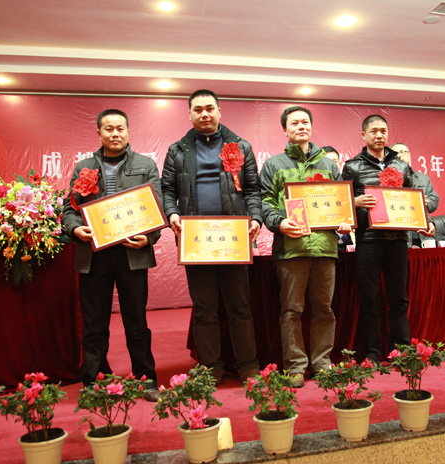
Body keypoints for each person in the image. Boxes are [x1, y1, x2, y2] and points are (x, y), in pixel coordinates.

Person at [161, 89, 261, 383]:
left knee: (240, 307)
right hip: (196, 239)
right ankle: (211, 368)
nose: (204, 114)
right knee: (205, 309)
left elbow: (253, 189)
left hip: (233, 238)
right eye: (198, 110)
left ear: (219, 111)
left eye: (209, 108)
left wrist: (256, 217)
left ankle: (248, 365)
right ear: (189, 114)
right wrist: (172, 213)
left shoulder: (241, 146)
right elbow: (167, 189)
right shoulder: (178, 150)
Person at [62, 109, 160, 401]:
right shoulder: (84, 167)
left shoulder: (145, 165)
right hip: (94, 255)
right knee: (94, 323)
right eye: (108, 129)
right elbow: (69, 209)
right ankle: (93, 381)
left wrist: (149, 238)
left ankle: (146, 379)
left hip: (132, 253)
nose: (115, 134)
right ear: (99, 133)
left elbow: (156, 208)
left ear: (128, 131)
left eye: (120, 128)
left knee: (136, 322)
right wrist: (75, 229)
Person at [260, 106, 351, 387]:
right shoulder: (274, 165)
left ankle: (322, 363)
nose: (301, 126)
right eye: (295, 123)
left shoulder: (328, 165)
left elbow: (340, 201)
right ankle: (296, 367)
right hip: (291, 249)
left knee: (324, 309)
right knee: (291, 311)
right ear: (285, 130)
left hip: (325, 248)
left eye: (305, 122)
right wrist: (279, 222)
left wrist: (344, 220)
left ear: (311, 127)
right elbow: (265, 201)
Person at [341, 114, 435, 363]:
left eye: (383, 131)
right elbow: (340, 202)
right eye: (374, 131)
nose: (379, 135)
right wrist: (355, 201)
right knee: (369, 299)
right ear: (364, 135)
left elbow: (413, 200)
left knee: (399, 299)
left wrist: (426, 222)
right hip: (368, 240)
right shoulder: (352, 166)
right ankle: (371, 353)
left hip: (398, 240)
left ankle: (400, 351)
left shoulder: (402, 166)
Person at [390, 142, 440, 247]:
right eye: (395, 153)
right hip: (397, 233)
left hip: (420, 232)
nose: (399, 155)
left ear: (409, 155)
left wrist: (425, 203)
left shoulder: (423, 178)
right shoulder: (385, 179)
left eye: (402, 152)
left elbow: (434, 201)